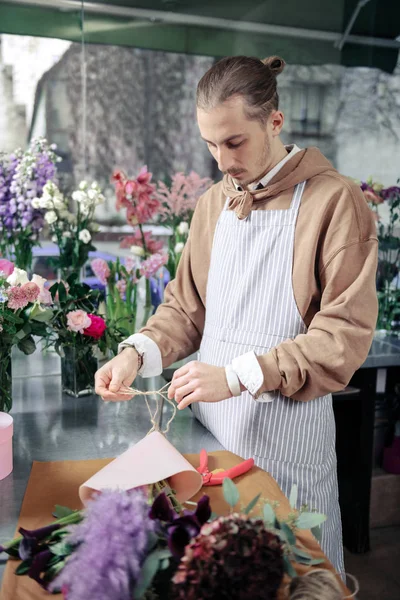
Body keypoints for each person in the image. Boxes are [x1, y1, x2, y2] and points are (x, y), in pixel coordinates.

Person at [96, 55, 378, 574]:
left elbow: (343, 335)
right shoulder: (212, 206)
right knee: (221, 577)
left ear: (275, 121)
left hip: (286, 445)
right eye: (210, 144)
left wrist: (237, 375)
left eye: (234, 142)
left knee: (291, 579)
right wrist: (137, 353)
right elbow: (187, 308)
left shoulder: (334, 202)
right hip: (214, 441)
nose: (221, 161)